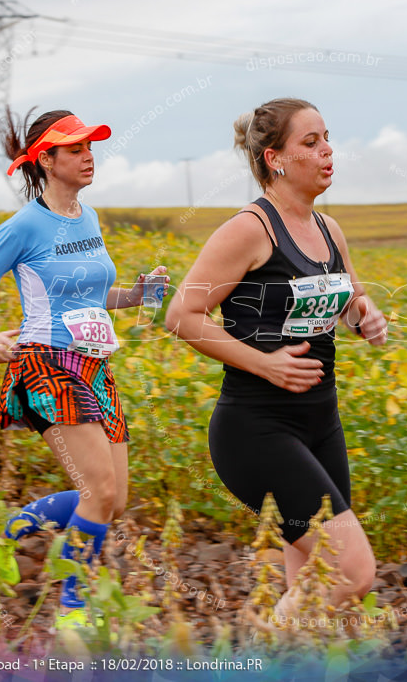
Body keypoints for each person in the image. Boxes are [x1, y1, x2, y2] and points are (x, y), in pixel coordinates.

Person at [165, 98, 388, 620]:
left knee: (311, 584)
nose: (328, 150)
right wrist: (263, 363)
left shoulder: (331, 230)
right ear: (275, 159)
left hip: (320, 423)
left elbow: (347, 305)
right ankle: (263, 648)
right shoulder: (249, 229)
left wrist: (364, 315)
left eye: (327, 137)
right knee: (352, 572)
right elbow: (182, 314)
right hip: (256, 429)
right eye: (310, 142)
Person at [0, 108, 168, 631]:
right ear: (45, 160)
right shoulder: (25, 224)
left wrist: (136, 295)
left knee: (113, 499)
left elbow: (90, 295)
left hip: (95, 366)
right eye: (75, 149)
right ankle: (74, 611)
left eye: (90, 147)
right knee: (99, 492)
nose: (88, 156)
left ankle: (10, 527)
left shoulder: (87, 217)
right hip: (46, 362)